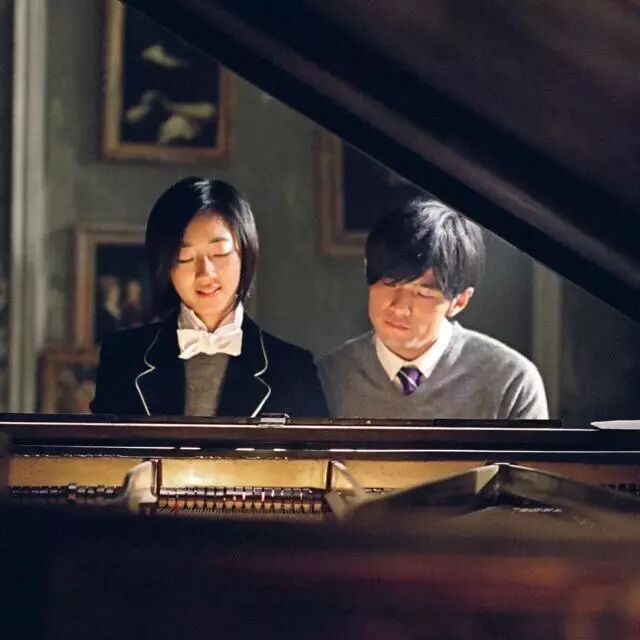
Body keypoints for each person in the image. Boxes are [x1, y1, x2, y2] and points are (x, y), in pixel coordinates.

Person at [91, 177, 327, 418]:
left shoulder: (293, 370)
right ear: (165, 265)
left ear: (245, 251)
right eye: (184, 257)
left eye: (219, 252)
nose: (205, 273)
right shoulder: (122, 358)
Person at [318, 198, 548, 420]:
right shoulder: (329, 378)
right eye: (390, 284)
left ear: (459, 301)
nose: (399, 308)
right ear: (367, 270)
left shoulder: (510, 381)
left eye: (422, 293)